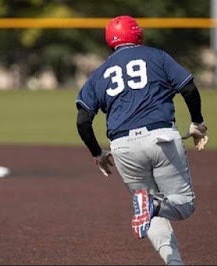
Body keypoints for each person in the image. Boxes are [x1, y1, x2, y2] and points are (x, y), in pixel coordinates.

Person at [75, 16, 208, 265]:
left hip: (123, 147)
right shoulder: (157, 56)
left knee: (146, 207)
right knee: (183, 205)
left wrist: (97, 154)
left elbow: (82, 121)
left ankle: (174, 261)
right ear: (137, 34)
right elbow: (188, 88)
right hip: (161, 139)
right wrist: (197, 123)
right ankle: (152, 206)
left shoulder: (99, 73)